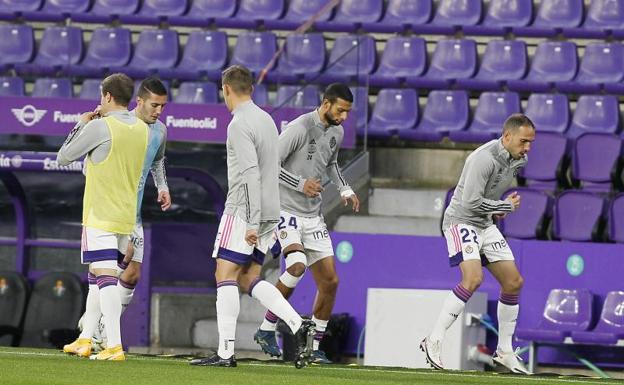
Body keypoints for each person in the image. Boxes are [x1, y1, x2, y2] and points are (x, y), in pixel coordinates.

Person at [189, 65, 315, 368]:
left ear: (226, 89)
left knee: (225, 274)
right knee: (248, 277)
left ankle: (225, 352)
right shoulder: (267, 120)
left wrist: (251, 221)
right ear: (252, 89)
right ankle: (298, 324)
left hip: (246, 211)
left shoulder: (239, 125)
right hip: (272, 210)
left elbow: (248, 175)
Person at [420, 113, 535, 374]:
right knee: (473, 279)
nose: (528, 148)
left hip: (485, 223)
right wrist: (502, 205)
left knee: (514, 282)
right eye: (524, 141)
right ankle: (433, 339)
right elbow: (470, 202)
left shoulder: (519, 160)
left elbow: (488, 195)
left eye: (530, 142)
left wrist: (495, 209)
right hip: (461, 221)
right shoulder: (482, 159)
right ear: (507, 136)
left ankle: (504, 351)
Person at [253, 83, 359, 364]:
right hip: (286, 210)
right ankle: (267, 327)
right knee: (297, 265)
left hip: (313, 216)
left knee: (330, 282)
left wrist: (345, 188)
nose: (344, 117)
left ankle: (313, 347)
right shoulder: (299, 128)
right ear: (326, 104)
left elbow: (332, 163)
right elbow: (270, 165)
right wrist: (301, 184)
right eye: (340, 110)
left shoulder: (337, 130)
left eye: (347, 112)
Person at [74, 77, 173, 351]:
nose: (159, 111)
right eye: (155, 105)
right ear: (139, 101)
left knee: (131, 274)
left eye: (163, 106)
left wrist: (162, 186)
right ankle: (95, 332)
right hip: (109, 211)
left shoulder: (160, 131)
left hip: (133, 212)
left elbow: (158, 160)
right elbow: (88, 164)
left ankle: (96, 328)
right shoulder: (115, 125)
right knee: (105, 271)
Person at [57, 73, 149, 361]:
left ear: (108, 96)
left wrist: (82, 124)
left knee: (106, 276)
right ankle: (85, 339)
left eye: (101, 96)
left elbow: (64, 157)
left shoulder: (101, 127)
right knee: (97, 275)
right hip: (125, 214)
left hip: (101, 212)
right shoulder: (142, 128)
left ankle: (114, 344)